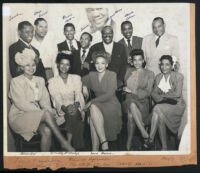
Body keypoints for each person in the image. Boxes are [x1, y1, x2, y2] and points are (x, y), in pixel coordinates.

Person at [8, 48, 75, 152]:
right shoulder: (15, 81)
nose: (31, 68)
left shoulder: (40, 80)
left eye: (33, 65)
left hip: (35, 116)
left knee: (47, 131)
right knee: (47, 114)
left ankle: (45, 161)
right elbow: (21, 104)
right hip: (19, 116)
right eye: (27, 65)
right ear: (21, 67)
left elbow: (45, 102)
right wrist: (43, 113)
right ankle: (64, 144)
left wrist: (47, 111)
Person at [82, 51, 122, 151]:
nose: (100, 66)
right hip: (98, 104)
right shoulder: (92, 75)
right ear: (94, 64)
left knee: (92, 109)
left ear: (107, 64)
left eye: (102, 63)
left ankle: (96, 148)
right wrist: (84, 86)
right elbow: (81, 79)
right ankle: (103, 143)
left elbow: (109, 94)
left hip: (111, 104)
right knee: (93, 110)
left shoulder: (112, 74)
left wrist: (91, 101)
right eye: (97, 63)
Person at [48, 53, 86, 150]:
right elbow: (56, 98)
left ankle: (67, 143)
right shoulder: (52, 81)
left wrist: (75, 105)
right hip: (61, 110)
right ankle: (76, 146)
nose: (64, 67)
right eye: (62, 64)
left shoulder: (76, 78)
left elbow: (78, 94)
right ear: (57, 65)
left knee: (73, 114)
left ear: (70, 66)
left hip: (76, 106)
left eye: (67, 64)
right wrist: (65, 108)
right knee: (78, 122)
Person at [148, 55, 186, 150]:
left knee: (157, 108)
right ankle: (163, 147)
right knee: (159, 114)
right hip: (164, 104)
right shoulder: (158, 77)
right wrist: (161, 99)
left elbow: (177, 94)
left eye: (167, 65)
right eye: (162, 64)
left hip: (177, 105)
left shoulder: (178, 76)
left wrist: (162, 96)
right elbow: (153, 93)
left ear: (172, 65)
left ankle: (150, 138)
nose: (164, 67)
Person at [123, 49, 155, 150]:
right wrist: (125, 89)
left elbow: (148, 92)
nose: (137, 62)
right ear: (132, 61)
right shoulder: (128, 71)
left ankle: (129, 142)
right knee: (131, 104)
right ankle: (145, 134)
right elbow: (125, 86)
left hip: (143, 102)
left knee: (131, 115)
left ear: (143, 60)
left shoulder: (149, 73)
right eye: (135, 60)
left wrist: (132, 91)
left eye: (139, 60)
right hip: (128, 100)